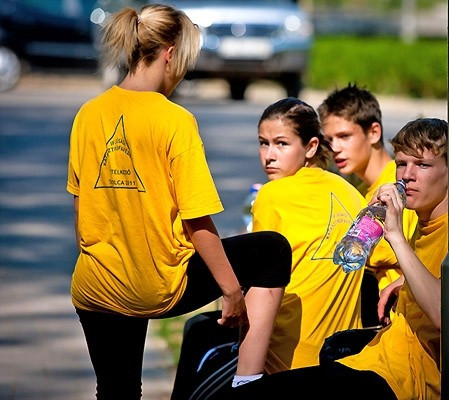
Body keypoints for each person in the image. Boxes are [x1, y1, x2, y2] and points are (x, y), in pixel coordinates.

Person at [66, 5, 292, 399]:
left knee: (117, 391)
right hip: (154, 285)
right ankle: (247, 385)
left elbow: (80, 207)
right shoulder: (175, 120)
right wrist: (231, 291)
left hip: (94, 286)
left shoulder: (88, 113)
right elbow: (197, 221)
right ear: (170, 54)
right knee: (272, 250)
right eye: (186, 61)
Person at [229, 118, 449, 399]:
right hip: (378, 361)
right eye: (401, 164)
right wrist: (404, 283)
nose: (407, 175)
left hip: (408, 381)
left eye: (422, 165)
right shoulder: (428, 220)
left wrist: (395, 237)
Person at [171, 98, 368, 398]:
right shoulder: (351, 194)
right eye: (263, 143)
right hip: (343, 355)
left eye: (281, 144)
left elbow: (259, 287)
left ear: (311, 147)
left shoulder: (272, 195)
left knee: (199, 334)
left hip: (285, 357)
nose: (269, 156)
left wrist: (246, 374)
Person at [317, 83, 418, 290]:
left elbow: (400, 251)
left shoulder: (401, 184)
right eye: (329, 139)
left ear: (374, 132)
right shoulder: (360, 193)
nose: (334, 148)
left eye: (344, 136)